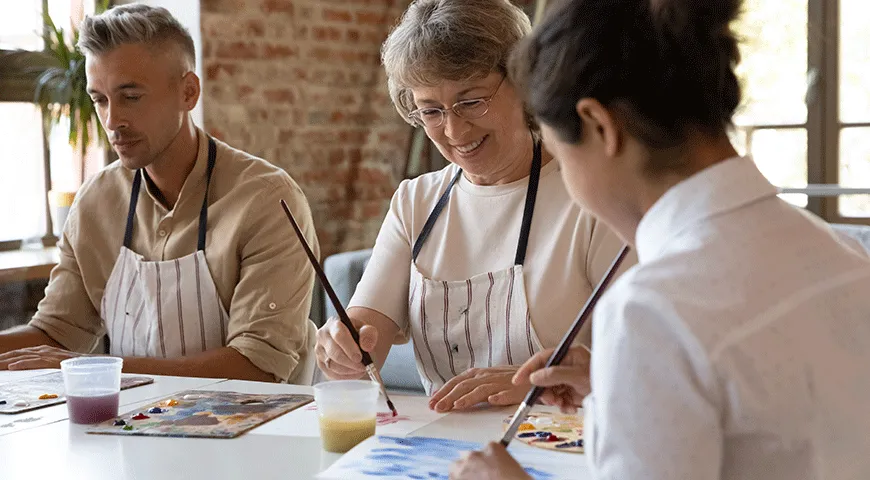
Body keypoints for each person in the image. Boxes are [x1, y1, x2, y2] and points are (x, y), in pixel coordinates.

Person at [450, 0, 870, 478]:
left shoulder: (651, 310)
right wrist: (629, 389)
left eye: (563, 160)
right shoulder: (845, 255)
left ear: (600, 127)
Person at [315, 0, 633, 413]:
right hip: (441, 446)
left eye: (471, 102)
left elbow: (646, 362)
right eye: (431, 110)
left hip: (559, 446)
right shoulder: (416, 201)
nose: (454, 129)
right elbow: (366, 331)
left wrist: (536, 386)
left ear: (522, 83)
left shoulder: (588, 198)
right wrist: (343, 346)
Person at [0, 4, 319, 384]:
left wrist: (94, 370)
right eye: (100, 99)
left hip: (258, 435)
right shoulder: (96, 203)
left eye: (130, 96)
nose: (112, 120)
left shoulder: (268, 200)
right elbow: (57, 331)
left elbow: (255, 369)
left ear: (188, 92)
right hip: (130, 431)